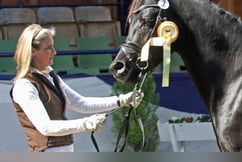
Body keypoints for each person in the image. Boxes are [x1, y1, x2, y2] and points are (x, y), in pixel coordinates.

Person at [10, 24, 144, 152]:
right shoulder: (24, 86)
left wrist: (122, 100)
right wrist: (85, 124)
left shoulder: (51, 76)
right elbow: (45, 127)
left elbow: (80, 103)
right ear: (33, 51)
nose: (54, 52)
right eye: (48, 48)